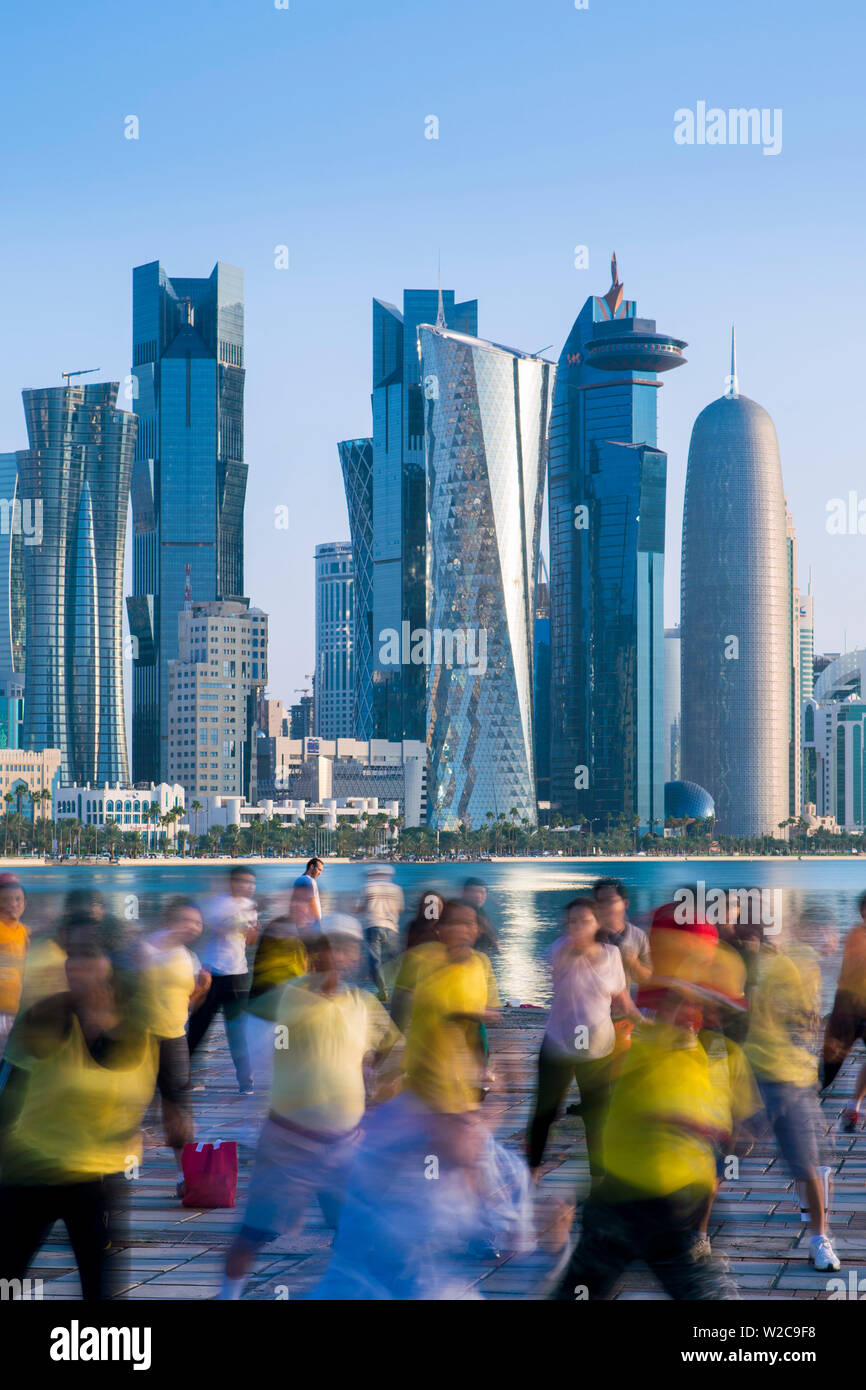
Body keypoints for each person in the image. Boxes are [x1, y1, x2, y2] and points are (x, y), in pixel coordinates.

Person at [219, 915, 403, 1300]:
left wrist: (372, 1077)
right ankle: (229, 1296)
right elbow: (254, 1046)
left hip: (345, 1145)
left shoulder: (363, 1004)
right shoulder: (286, 997)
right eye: (326, 947)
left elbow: (389, 1047)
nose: (335, 956)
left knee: (355, 1234)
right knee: (254, 1233)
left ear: (354, 955)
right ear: (312, 954)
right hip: (290, 1143)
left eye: (344, 948)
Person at [549, 984, 746, 1301]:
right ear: (663, 1010)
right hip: (622, 1203)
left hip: (674, 1210)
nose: (692, 1017)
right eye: (681, 1007)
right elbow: (642, 1106)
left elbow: (721, 1122)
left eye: (698, 1010)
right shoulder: (636, 1050)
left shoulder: (703, 1056)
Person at [0, 914, 158, 1300]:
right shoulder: (44, 1018)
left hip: (98, 1178)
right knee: (6, 1280)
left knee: (99, 1288)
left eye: (88, 955)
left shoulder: (137, 1027)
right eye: (72, 954)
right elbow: (6, 1096)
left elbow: (143, 1091)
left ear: (113, 962)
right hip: (30, 1173)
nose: (75, 965)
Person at [745, 913, 841, 1272]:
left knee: (809, 1164)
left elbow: (805, 1018)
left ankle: (819, 1239)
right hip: (763, 1076)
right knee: (727, 1150)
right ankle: (694, 1233)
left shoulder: (804, 965)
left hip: (794, 1081)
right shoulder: (776, 966)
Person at [527, 898, 641, 1185]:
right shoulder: (559, 950)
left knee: (597, 1116)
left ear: (596, 923)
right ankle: (531, 1173)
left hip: (598, 1048)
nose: (578, 927)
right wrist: (572, 948)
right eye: (573, 922)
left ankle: (598, 1179)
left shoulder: (612, 955)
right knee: (545, 1112)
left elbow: (623, 1000)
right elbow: (550, 969)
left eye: (585, 921)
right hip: (558, 1045)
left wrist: (649, 1025)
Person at [141, 897, 211, 1196]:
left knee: (180, 1109)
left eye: (197, 922)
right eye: (186, 920)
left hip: (174, 1039)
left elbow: (189, 1004)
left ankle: (186, 1176)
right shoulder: (145, 949)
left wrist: (203, 990)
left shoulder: (189, 958)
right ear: (170, 920)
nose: (193, 927)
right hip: (139, 1040)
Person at [188, 866, 258, 1094]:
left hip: (238, 975)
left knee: (237, 1031)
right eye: (245, 882)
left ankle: (245, 1082)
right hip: (211, 975)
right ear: (233, 883)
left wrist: (253, 931)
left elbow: (250, 942)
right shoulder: (216, 903)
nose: (249, 886)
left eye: (252, 883)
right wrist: (230, 924)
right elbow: (210, 930)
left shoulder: (250, 907)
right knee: (198, 1026)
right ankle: (181, 1077)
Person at [821, 891, 866, 1129]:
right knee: (829, 1068)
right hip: (847, 1011)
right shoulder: (855, 937)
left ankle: (853, 1106)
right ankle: (805, 1100)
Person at [592, 878, 652, 990]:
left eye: (609, 901)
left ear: (625, 903)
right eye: (599, 901)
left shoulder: (638, 936)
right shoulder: (589, 934)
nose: (603, 906)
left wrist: (635, 964)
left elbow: (647, 977)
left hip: (623, 1002)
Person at [360, 864, 405, 1002]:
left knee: (375, 961)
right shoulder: (396, 889)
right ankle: (400, 989)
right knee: (394, 960)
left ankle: (382, 991)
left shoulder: (367, 888)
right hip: (391, 927)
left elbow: (359, 907)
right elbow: (400, 909)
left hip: (372, 926)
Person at [0, 873, 29, 1053]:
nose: (13, 904)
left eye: (18, 899)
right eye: (5, 900)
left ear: (25, 904)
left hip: (15, 1008)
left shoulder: (22, 931)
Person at [461, 879, 498, 955]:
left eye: (481, 892)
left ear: (486, 895)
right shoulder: (459, 914)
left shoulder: (482, 913)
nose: (478, 896)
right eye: (473, 891)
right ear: (464, 893)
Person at [290, 857, 324, 937]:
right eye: (319, 869)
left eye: (321, 871)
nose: (320, 873)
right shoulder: (310, 881)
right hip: (311, 924)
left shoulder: (298, 880)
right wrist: (318, 923)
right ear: (311, 867)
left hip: (300, 924)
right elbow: (312, 901)